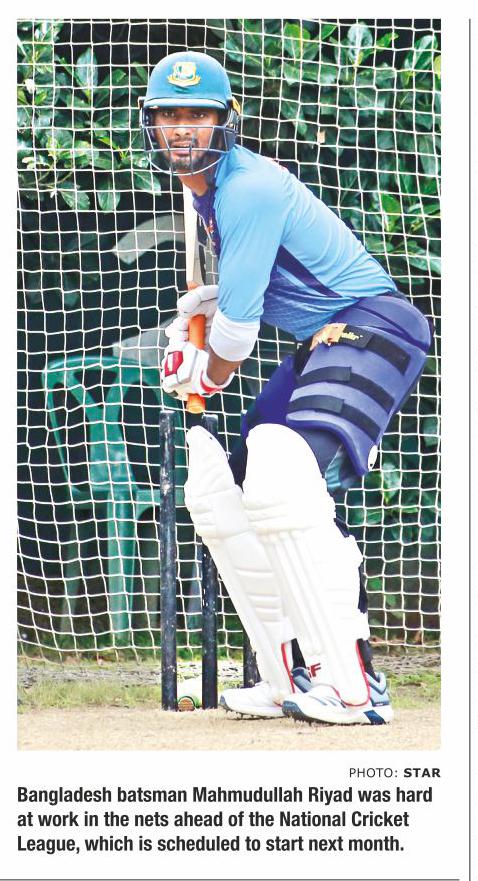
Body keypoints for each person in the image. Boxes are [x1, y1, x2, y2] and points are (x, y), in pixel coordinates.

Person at [140, 50, 432, 725]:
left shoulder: (246, 188)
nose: (182, 128)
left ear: (225, 121)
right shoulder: (209, 191)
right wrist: (206, 312)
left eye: (198, 115)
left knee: (283, 473)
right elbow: (273, 284)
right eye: (169, 115)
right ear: (151, 124)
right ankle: (288, 677)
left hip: (373, 326)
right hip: (326, 334)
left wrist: (204, 369)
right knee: (236, 489)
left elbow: (238, 337)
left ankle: (355, 686)